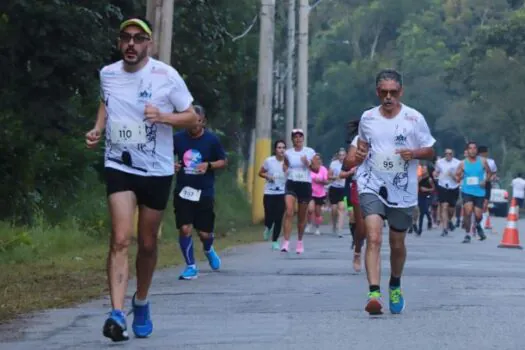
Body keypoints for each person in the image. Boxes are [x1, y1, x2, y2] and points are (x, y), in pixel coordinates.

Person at [85, 17, 197, 341]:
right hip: (119, 164)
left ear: (148, 43)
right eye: (125, 38)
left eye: (138, 38)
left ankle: (142, 300)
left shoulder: (166, 76)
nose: (131, 44)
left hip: (157, 170)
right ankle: (117, 314)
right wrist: (98, 129)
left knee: (147, 244)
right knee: (121, 238)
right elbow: (106, 103)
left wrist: (163, 117)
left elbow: (190, 116)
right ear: (120, 43)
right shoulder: (108, 74)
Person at [351, 69, 436, 315]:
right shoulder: (367, 118)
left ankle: (395, 283)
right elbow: (362, 145)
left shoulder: (414, 118)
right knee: (374, 236)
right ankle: (374, 293)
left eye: (393, 92)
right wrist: (359, 154)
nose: (388, 97)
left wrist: (415, 153)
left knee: (397, 244)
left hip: (403, 189)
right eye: (384, 92)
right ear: (377, 92)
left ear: (401, 91)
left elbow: (430, 150)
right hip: (372, 183)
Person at [173, 105, 227, 280]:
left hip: (204, 191)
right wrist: (171, 165)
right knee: (185, 228)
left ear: (203, 121)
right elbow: (165, 155)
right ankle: (191, 266)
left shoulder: (212, 140)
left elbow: (223, 161)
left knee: (204, 233)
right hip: (183, 190)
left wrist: (208, 165)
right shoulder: (178, 139)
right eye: (190, 120)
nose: (194, 124)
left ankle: (208, 249)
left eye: (197, 121)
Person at [281, 129, 316, 254]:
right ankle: (286, 242)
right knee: (289, 211)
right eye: (295, 137)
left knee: (302, 216)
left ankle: (300, 241)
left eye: (300, 137)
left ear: (303, 139)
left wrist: (308, 164)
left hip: (305, 184)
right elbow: (285, 164)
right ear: (292, 140)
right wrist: (285, 169)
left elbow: (316, 169)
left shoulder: (310, 152)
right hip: (291, 183)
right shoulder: (288, 153)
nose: (298, 139)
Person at [455, 141, 491, 243]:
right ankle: (467, 234)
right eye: (470, 148)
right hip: (467, 191)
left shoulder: (483, 161)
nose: (472, 150)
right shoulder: (462, 163)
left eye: (474, 148)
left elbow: (489, 172)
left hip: (479, 191)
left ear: (476, 150)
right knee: (468, 211)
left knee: (479, 215)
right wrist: (459, 177)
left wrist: (485, 181)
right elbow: (457, 175)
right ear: (467, 150)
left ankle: (477, 225)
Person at [345, 120, 366, 273]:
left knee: (376, 228)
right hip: (360, 184)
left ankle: (373, 256)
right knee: (362, 226)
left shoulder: (387, 137)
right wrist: (357, 158)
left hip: (383, 185)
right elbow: (347, 163)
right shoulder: (358, 139)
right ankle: (358, 251)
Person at [259, 140, 287, 250]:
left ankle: (275, 241)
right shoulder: (269, 161)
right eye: (279, 147)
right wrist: (268, 176)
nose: (281, 150)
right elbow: (260, 172)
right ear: (275, 149)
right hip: (269, 193)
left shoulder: (287, 162)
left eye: (283, 147)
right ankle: (267, 227)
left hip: (282, 193)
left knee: (279, 218)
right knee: (269, 215)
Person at [434, 149, 461, 236]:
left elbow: (459, 177)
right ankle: (445, 228)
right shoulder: (439, 162)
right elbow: (437, 172)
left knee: (451, 209)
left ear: (453, 154)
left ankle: (449, 221)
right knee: (444, 206)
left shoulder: (458, 163)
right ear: (444, 154)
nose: (448, 155)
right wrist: (435, 174)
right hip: (442, 186)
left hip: (453, 187)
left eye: (450, 153)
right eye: (446, 153)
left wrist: (452, 175)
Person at [328, 148, 352, 237]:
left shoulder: (348, 164)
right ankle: (334, 225)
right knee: (334, 210)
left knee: (342, 208)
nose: (342, 157)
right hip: (334, 188)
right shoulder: (334, 164)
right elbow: (328, 176)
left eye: (343, 155)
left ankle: (339, 229)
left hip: (344, 189)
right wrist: (335, 177)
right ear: (338, 156)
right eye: (340, 155)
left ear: (346, 156)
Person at [307, 154, 329, 236]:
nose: (317, 160)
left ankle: (317, 228)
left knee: (317, 213)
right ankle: (309, 224)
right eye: (315, 159)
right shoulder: (309, 169)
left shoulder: (323, 169)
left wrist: (321, 181)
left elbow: (327, 181)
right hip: (310, 192)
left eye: (319, 159)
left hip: (320, 194)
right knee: (310, 209)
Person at [478, 146, 498, 227]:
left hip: (487, 184)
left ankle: (481, 223)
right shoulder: (474, 161)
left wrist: (493, 177)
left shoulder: (491, 162)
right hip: (477, 184)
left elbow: (494, 172)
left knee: (485, 203)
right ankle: (476, 220)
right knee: (477, 204)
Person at [417, 165, 435, 236]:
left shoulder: (429, 179)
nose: (423, 170)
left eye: (424, 169)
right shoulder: (420, 177)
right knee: (423, 211)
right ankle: (429, 219)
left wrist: (426, 189)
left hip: (427, 196)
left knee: (422, 212)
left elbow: (433, 189)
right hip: (420, 196)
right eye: (422, 169)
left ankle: (420, 229)